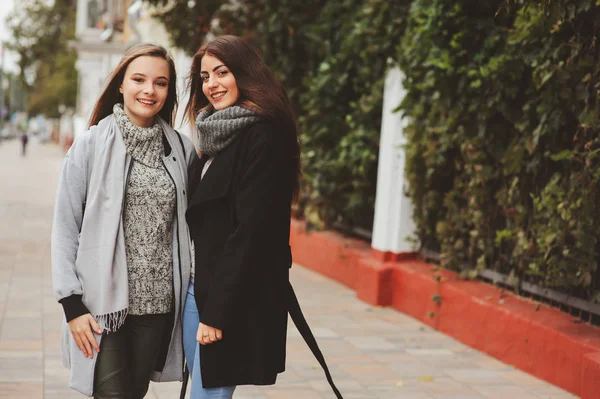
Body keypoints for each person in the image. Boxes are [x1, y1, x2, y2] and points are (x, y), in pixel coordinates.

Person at [183, 35, 342, 399]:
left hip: (229, 297)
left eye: (221, 72)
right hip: (197, 289)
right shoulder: (213, 137)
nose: (212, 84)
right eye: (205, 77)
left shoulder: (264, 135)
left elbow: (251, 232)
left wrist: (217, 312)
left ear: (244, 72)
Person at [51, 43, 196, 398]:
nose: (149, 90)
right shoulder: (90, 144)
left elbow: (195, 224)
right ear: (121, 83)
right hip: (102, 307)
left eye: (160, 83)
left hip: (158, 305)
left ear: (168, 90)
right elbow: (65, 226)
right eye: (139, 79)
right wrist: (71, 305)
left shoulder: (181, 150)